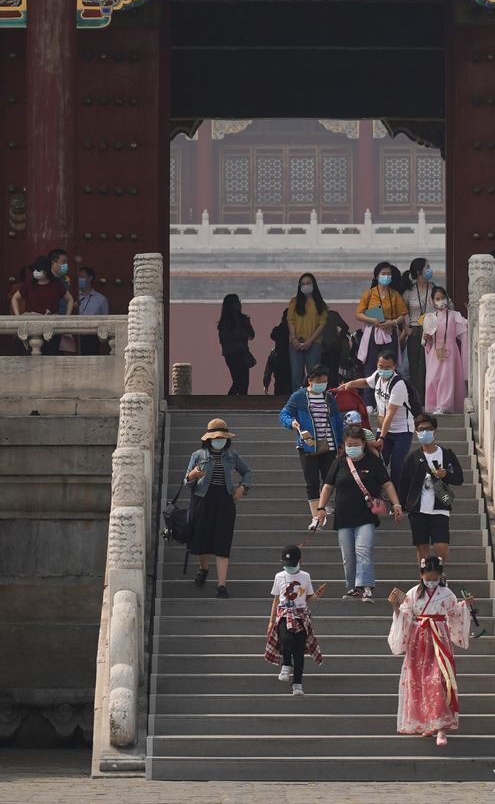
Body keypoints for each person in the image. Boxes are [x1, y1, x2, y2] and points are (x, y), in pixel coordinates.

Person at [388, 556, 472, 745]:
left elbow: (455, 613)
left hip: (439, 639)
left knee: (439, 679)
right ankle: (427, 724)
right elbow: (405, 617)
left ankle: (441, 729)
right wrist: (394, 605)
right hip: (419, 640)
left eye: (435, 578)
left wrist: (466, 604)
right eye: (428, 579)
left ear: (441, 576)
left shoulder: (447, 593)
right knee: (418, 681)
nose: (432, 582)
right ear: (421, 575)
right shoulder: (412, 594)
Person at [316, 425, 403, 602]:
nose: (352, 448)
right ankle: (352, 587)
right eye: (349, 444)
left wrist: (396, 504)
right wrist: (320, 509)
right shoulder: (339, 462)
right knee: (348, 555)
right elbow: (328, 487)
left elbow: (387, 484)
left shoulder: (373, 462)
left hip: (366, 515)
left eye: (356, 444)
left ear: (364, 444)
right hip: (343, 516)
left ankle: (366, 587)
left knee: (363, 550)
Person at [184, 418, 251, 598]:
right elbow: (186, 481)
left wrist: (242, 488)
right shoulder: (198, 455)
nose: (219, 440)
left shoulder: (232, 456)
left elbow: (247, 472)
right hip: (202, 499)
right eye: (216, 437)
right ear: (209, 438)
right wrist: (193, 474)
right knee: (202, 538)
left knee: (223, 541)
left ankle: (221, 586)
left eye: (222, 437)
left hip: (225, 500)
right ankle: (203, 569)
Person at [398, 413, 464, 580]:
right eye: (421, 430)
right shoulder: (412, 458)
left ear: (435, 432)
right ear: (416, 433)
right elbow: (404, 484)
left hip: (439, 507)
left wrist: (445, 475)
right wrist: (399, 506)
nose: (425, 432)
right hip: (418, 509)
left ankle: (438, 572)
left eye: (428, 429)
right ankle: (425, 578)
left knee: (441, 546)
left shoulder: (447, 454)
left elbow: (459, 478)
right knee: (422, 548)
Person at [280, 364, 344, 530]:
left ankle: (324, 503)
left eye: (324, 382)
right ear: (310, 380)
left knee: (329, 479)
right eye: (319, 382)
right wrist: (291, 422)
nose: (322, 385)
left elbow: (337, 421)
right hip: (308, 445)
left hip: (329, 445)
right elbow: (284, 414)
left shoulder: (329, 398)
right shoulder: (299, 397)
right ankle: (316, 516)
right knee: (311, 481)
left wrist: (341, 443)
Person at [340, 350, 415, 492]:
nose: (383, 370)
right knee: (377, 462)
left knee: (397, 465)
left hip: (401, 431)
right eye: (380, 366)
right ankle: (375, 493)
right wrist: (350, 384)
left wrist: (381, 438)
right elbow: (366, 382)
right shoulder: (378, 376)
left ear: (394, 367)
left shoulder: (398, 385)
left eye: (387, 367)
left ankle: (396, 497)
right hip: (383, 428)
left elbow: (389, 414)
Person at [265, 544, 325, 696]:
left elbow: (307, 599)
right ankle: (286, 665)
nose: (289, 568)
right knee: (286, 639)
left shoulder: (305, 576)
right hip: (284, 614)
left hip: (300, 615)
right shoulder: (279, 576)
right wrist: (271, 621)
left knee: (299, 651)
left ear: (300, 562)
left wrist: (316, 595)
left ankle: (297, 683)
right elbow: (276, 599)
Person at [356, 262, 410, 413]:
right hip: (373, 333)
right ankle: (369, 403)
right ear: (377, 276)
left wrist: (393, 322)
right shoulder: (369, 294)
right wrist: (371, 320)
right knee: (370, 367)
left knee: (390, 366)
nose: (386, 277)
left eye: (388, 274)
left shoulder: (395, 295)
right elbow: (359, 314)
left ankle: (389, 400)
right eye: (383, 274)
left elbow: (402, 316)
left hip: (389, 332)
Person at [11, 257, 74, 355]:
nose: (36, 272)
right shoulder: (29, 284)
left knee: (52, 353)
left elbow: (69, 299)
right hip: (33, 325)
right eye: (34, 269)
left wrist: (67, 317)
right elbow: (15, 298)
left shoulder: (56, 285)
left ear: (46, 270)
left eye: (39, 269)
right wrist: (17, 316)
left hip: (52, 325)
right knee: (35, 354)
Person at [422, 286, 468, 415]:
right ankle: (432, 405)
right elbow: (425, 338)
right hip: (435, 351)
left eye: (443, 298)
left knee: (447, 378)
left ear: (447, 299)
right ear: (432, 301)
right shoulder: (430, 317)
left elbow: (466, 325)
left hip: (450, 350)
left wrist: (470, 311)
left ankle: (444, 406)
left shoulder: (454, 315)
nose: (440, 301)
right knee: (433, 378)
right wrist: (426, 337)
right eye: (437, 299)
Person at [401, 258, 437, 405]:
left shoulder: (435, 289)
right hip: (415, 330)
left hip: (433, 331)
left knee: (432, 367)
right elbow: (400, 313)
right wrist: (407, 329)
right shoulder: (409, 292)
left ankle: (432, 401)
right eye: (427, 267)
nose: (429, 269)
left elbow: (448, 306)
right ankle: (418, 402)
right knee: (416, 368)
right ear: (418, 271)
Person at [287, 273, 328, 390]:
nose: (306, 286)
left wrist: (310, 341)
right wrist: (294, 338)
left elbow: (322, 323)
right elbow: (290, 320)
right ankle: (298, 398)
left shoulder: (320, 304)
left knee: (314, 375)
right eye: (303, 284)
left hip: (314, 343)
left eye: (308, 283)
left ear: (314, 285)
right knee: (296, 375)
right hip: (296, 342)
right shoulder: (294, 302)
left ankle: (315, 398)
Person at [217, 294, 255, 396]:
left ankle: (243, 401)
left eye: (238, 301)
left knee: (245, 381)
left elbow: (252, 335)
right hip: (232, 354)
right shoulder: (226, 322)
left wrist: (247, 326)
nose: (238, 304)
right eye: (235, 302)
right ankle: (230, 401)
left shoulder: (243, 319)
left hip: (243, 352)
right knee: (238, 381)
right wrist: (237, 336)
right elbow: (223, 340)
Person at [78, 266, 109, 356]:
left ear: (90, 278)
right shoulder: (73, 297)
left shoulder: (101, 299)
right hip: (76, 336)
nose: (79, 280)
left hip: (93, 337)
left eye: (81, 277)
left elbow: (105, 320)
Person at [263, 309, 292, 396]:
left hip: (287, 363)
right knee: (281, 387)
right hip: (282, 363)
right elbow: (274, 335)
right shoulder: (281, 330)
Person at [321, 307, 350, 388]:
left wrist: (337, 342)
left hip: (329, 348)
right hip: (330, 347)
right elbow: (345, 327)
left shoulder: (331, 315)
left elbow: (345, 327)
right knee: (332, 373)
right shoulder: (332, 315)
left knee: (327, 374)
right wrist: (338, 342)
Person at [48, 248, 71, 316]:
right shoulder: (46, 280)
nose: (66, 265)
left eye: (66, 262)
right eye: (63, 262)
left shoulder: (66, 280)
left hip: (64, 318)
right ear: (53, 263)